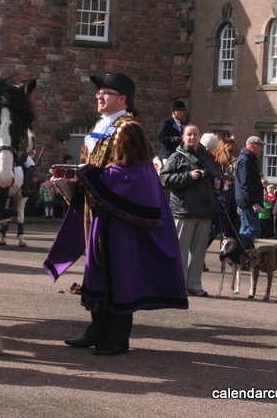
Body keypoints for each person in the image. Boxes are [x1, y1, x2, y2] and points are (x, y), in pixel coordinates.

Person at [44, 73, 188, 356]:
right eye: (99, 92)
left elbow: (131, 176)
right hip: (96, 212)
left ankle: (118, 337)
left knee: (118, 273)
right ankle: (97, 330)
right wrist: (71, 179)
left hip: (119, 217)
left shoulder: (128, 129)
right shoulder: (100, 127)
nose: (100, 96)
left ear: (123, 99)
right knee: (96, 271)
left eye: (107, 93)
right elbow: (90, 169)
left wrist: (89, 177)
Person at [160, 124, 221, 298]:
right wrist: (188, 176)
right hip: (183, 211)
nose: (192, 137)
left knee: (198, 252)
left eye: (195, 134)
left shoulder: (207, 157)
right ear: (183, 136)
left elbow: (214, 175)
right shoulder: (176, 157)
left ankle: (194, 285)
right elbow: (164, 179)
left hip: (204, 210)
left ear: (199, 136)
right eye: (189, 134)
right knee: (180, 250)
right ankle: (177, 285)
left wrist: (218, 182)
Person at [234, 135, 265, 249]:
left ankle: (240, 254)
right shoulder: (246, 160)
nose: (261, 149)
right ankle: (237, 248)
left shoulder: (247, 159)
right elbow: (245, 184)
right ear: (251, 146)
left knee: (245, 228)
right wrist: (253, 202)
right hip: (248, 202)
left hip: (246, 201)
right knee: (253, 229)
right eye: (259, 146)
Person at [157, 99, 187, 164]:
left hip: (180, 154)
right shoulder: (166, 123)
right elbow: (161, 137)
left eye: (182, 110)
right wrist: (174, 139)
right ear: (173, 112)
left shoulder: (184, 124)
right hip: (168, 154)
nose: (181, 112)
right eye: (179, 110)